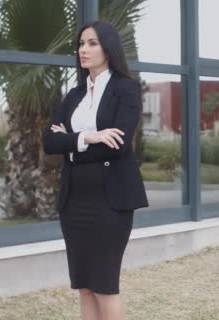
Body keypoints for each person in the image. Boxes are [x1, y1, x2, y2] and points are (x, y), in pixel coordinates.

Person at [43, 20, 149, 320]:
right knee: (85, 288)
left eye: (92, 43)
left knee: (104, 287)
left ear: (108, 48)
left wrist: (71, 144)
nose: (83, 50)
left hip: (110, 201)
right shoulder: (74, 95)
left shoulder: (125, 89)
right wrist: (88, 137)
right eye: (80, 44)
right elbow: (50, 142)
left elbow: (118, 144)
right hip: (74, 201)